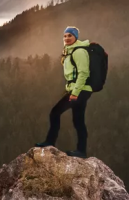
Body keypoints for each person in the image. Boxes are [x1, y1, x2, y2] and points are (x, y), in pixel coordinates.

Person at [35, 26, 93, 157]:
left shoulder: (79, 52)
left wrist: (75, 93)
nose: (66, 38)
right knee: (78, 120)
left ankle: (50, 141)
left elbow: (83, 73)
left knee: (55, 113)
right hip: (78, 90)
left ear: (76, 37)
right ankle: (81, 151)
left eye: (70, 36)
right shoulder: (69, 51)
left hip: (80, 90)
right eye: (65, 36)